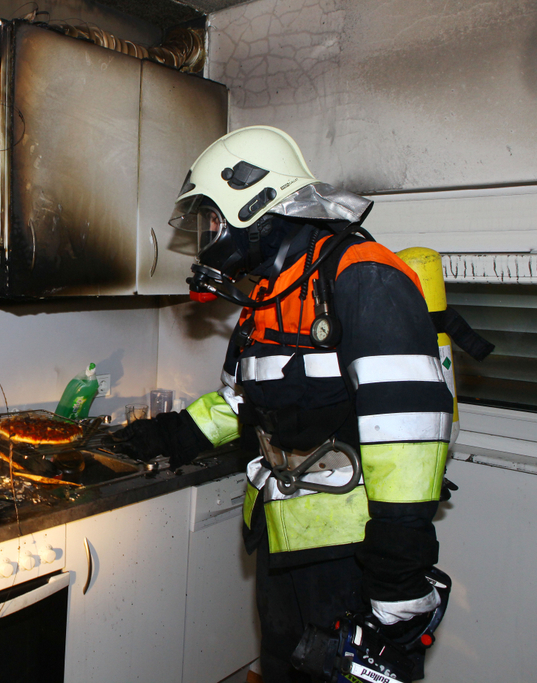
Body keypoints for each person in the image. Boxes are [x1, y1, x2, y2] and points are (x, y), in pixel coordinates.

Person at [114, 126, 453, 682]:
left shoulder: (364, 276)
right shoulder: (269, 298)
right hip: (285, 541)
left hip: (354, 557)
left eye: (212, 220)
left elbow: (408, 432)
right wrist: (168, 435)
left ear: (257, 206)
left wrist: (396, 570)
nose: (207, 238)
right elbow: (240, 401)